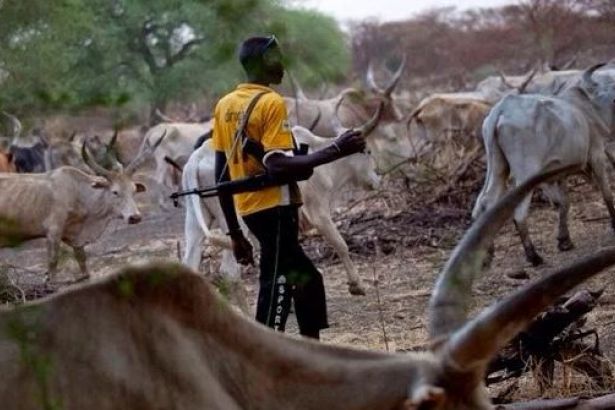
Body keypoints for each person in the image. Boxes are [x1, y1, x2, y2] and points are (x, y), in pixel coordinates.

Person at [211, 35, 366, 340]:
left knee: (308, 280)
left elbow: (222, 175)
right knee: (277, 283)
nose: (282, 64)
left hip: (252, 211)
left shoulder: (225, 105)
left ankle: (311, 351)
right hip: (276, 208)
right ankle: (265, 351)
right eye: (276, 58)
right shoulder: (270, 102)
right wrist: (337, 149)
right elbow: (278, 165)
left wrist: (236, 232)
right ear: (259, 63)